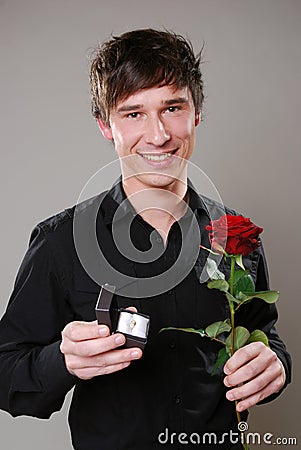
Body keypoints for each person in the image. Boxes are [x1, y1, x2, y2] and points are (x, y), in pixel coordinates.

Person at [0, 29, 291, 450]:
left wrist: (276, 363)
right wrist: (61, 361)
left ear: (196, 113)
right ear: (106, 126)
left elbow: (264, 330)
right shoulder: (60, 241)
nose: (157, 136)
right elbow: (6, 372)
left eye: (172, 107)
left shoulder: (237, 234)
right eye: (133, 113)